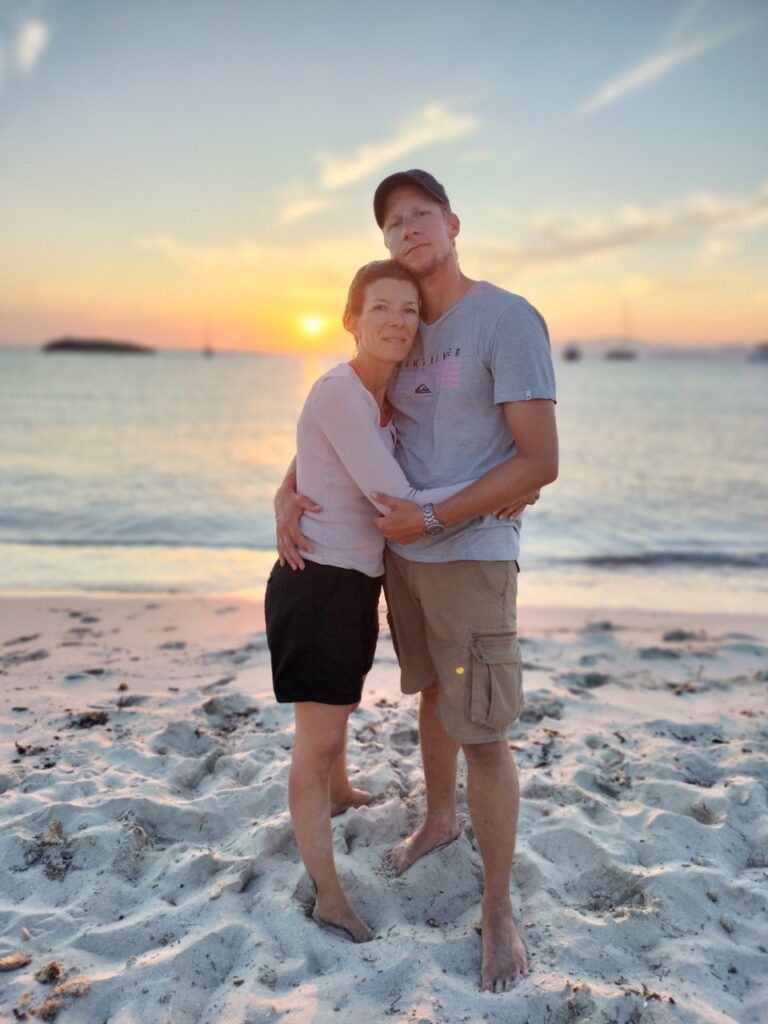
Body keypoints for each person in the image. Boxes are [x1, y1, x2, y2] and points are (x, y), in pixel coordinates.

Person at [274, 170, 558, 992]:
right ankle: (439, 819)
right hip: (400, 560)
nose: (409, 231)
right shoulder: (403, 327)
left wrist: (439, 517)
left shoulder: (505, 318)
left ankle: (498, 908)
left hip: (468, 558)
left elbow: (541, 459)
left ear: (453, 223)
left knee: (487, 730)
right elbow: (346, 412)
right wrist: (286, 487)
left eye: (421, 217)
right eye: (394, 224)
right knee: (433, 694)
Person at [266, 258, 476, 945]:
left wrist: (285, 483)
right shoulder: (342, 392)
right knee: (318, 740)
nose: (396, 321)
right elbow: (396, 500)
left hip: (355, 581)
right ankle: (328, 894)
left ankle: (338, 792)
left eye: (409, 311)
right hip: (318, 584)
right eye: (380, 308)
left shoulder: (390, 394)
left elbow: (321, 454)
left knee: (342, 708)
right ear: (351, 320)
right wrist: (504, 493)